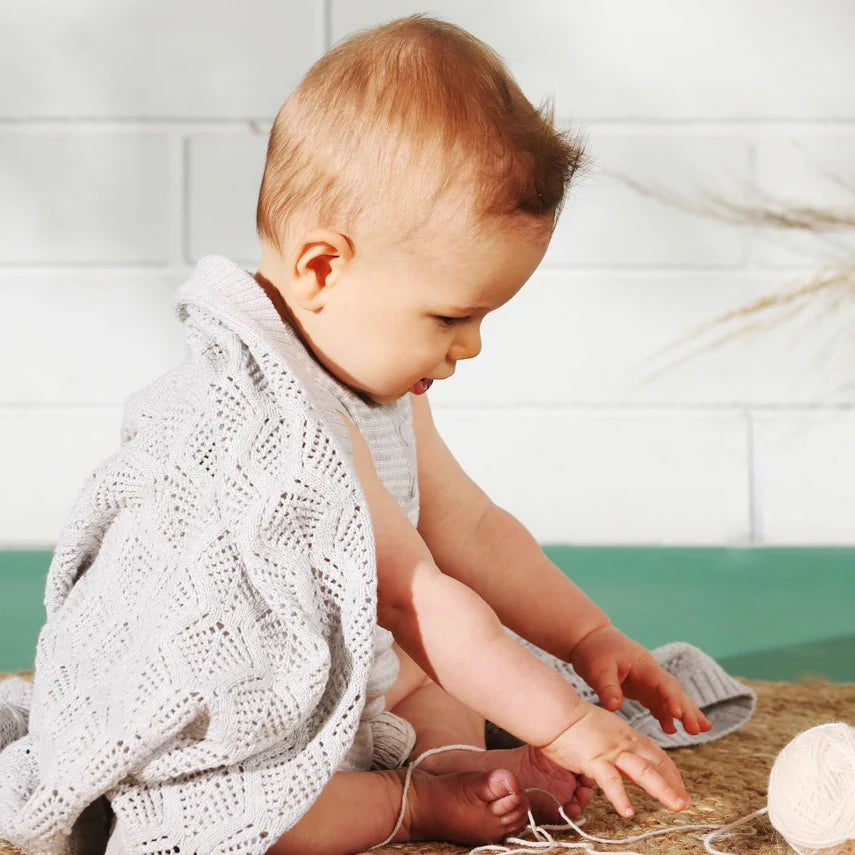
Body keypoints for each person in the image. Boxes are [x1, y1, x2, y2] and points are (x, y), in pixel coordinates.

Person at [246, 12, 712, 854]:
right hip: (248, 689)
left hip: (359, 659)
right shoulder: (270, 406)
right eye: (451, 315)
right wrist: (566, 722)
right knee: (250, 817)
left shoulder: (373, 377)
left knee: (441, 693)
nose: (471, 346)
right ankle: (414, 802)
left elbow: (468, 529)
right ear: (322, 267)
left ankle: (457, 778)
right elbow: (410, 594)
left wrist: (585, 635)